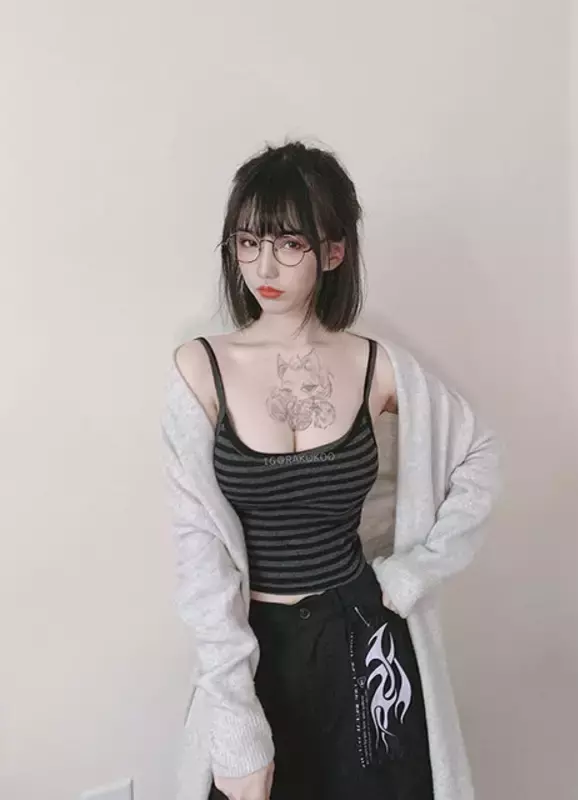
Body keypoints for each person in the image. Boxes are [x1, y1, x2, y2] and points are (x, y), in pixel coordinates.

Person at [162, 140, 500, 800]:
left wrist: (412, 573)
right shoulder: (201, 370)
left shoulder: (378, 367)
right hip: (257, 652)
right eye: (248, 242)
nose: (264, 266)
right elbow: (199, 559)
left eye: (289, 244)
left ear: (334, 251)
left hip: (364, 641)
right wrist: (235, 722)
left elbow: (479, 454)